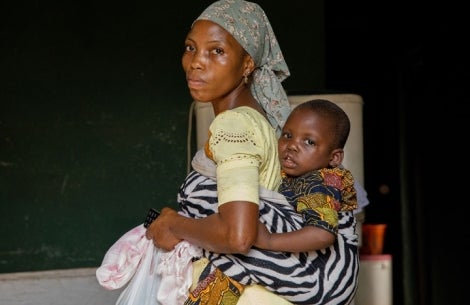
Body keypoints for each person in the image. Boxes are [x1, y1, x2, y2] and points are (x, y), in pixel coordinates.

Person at [145, 1, 359, 305]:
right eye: (191, 48)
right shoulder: (260, 120)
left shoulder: (235, 125)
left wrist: (172, 224)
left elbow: (239, 236)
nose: (196, 62)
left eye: (216, 51)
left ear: (247, 65)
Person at [255, 99, 358, 254]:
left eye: (309, 142)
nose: (292, 145)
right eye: (287, 135)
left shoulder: (320, 182)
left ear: (334, 158)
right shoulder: (294, 174)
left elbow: (322, 234)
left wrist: (269, 240)